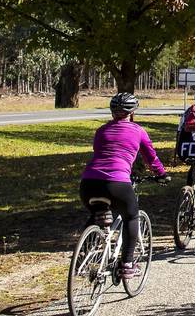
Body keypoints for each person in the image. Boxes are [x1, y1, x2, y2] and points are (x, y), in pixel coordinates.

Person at [80, 92, 168, 279]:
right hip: (117, 183)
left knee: (97, 213)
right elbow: (151, 158)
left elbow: (100, 152)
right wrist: (161, 174)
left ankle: (82, 254)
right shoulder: (138, 131)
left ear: (112, 112)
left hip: (88, 184)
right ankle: (127, 264)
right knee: (131, 216)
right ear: (133, 111)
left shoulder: (101, 130)